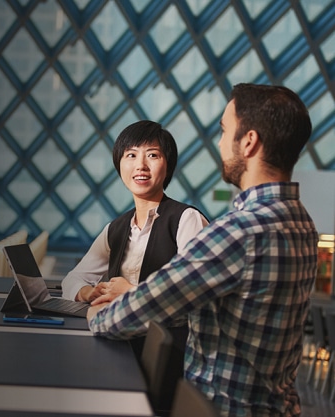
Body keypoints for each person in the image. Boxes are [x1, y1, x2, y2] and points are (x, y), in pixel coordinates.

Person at [87, 83, 318, 417]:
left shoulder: (239, 232)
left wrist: (97, 312)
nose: (220, 142)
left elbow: (127, 316)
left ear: (249, 142)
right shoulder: (301, 222)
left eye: (225, 131)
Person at [62, 120, 208, 410]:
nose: (140, 165)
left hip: (167, 361)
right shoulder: (116, 228)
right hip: (116, 349)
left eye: (152, 155)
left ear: (168, 165)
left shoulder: (186, 220)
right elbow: (72, 280)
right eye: (131, 155)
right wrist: (89, 293)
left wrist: (131, 291)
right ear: (120, 165)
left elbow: (193, 300)